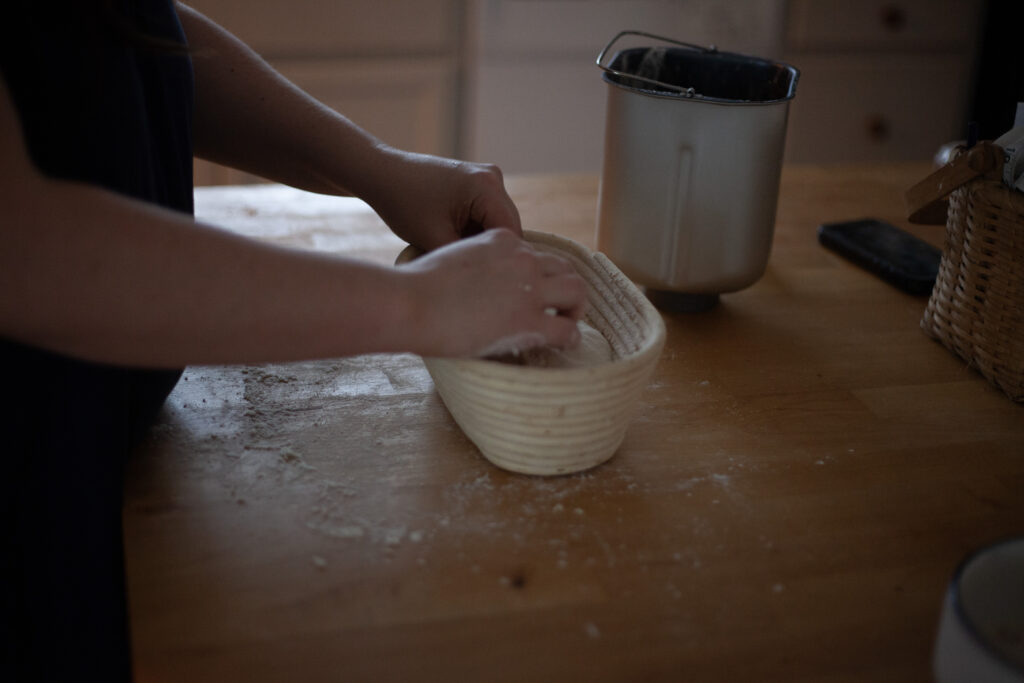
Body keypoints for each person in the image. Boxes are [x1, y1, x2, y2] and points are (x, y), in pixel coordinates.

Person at [0, 1, 587, 680]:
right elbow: (23, 247)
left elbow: (130, 28)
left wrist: (378, 168)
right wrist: (417, 303)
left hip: (120, 468)